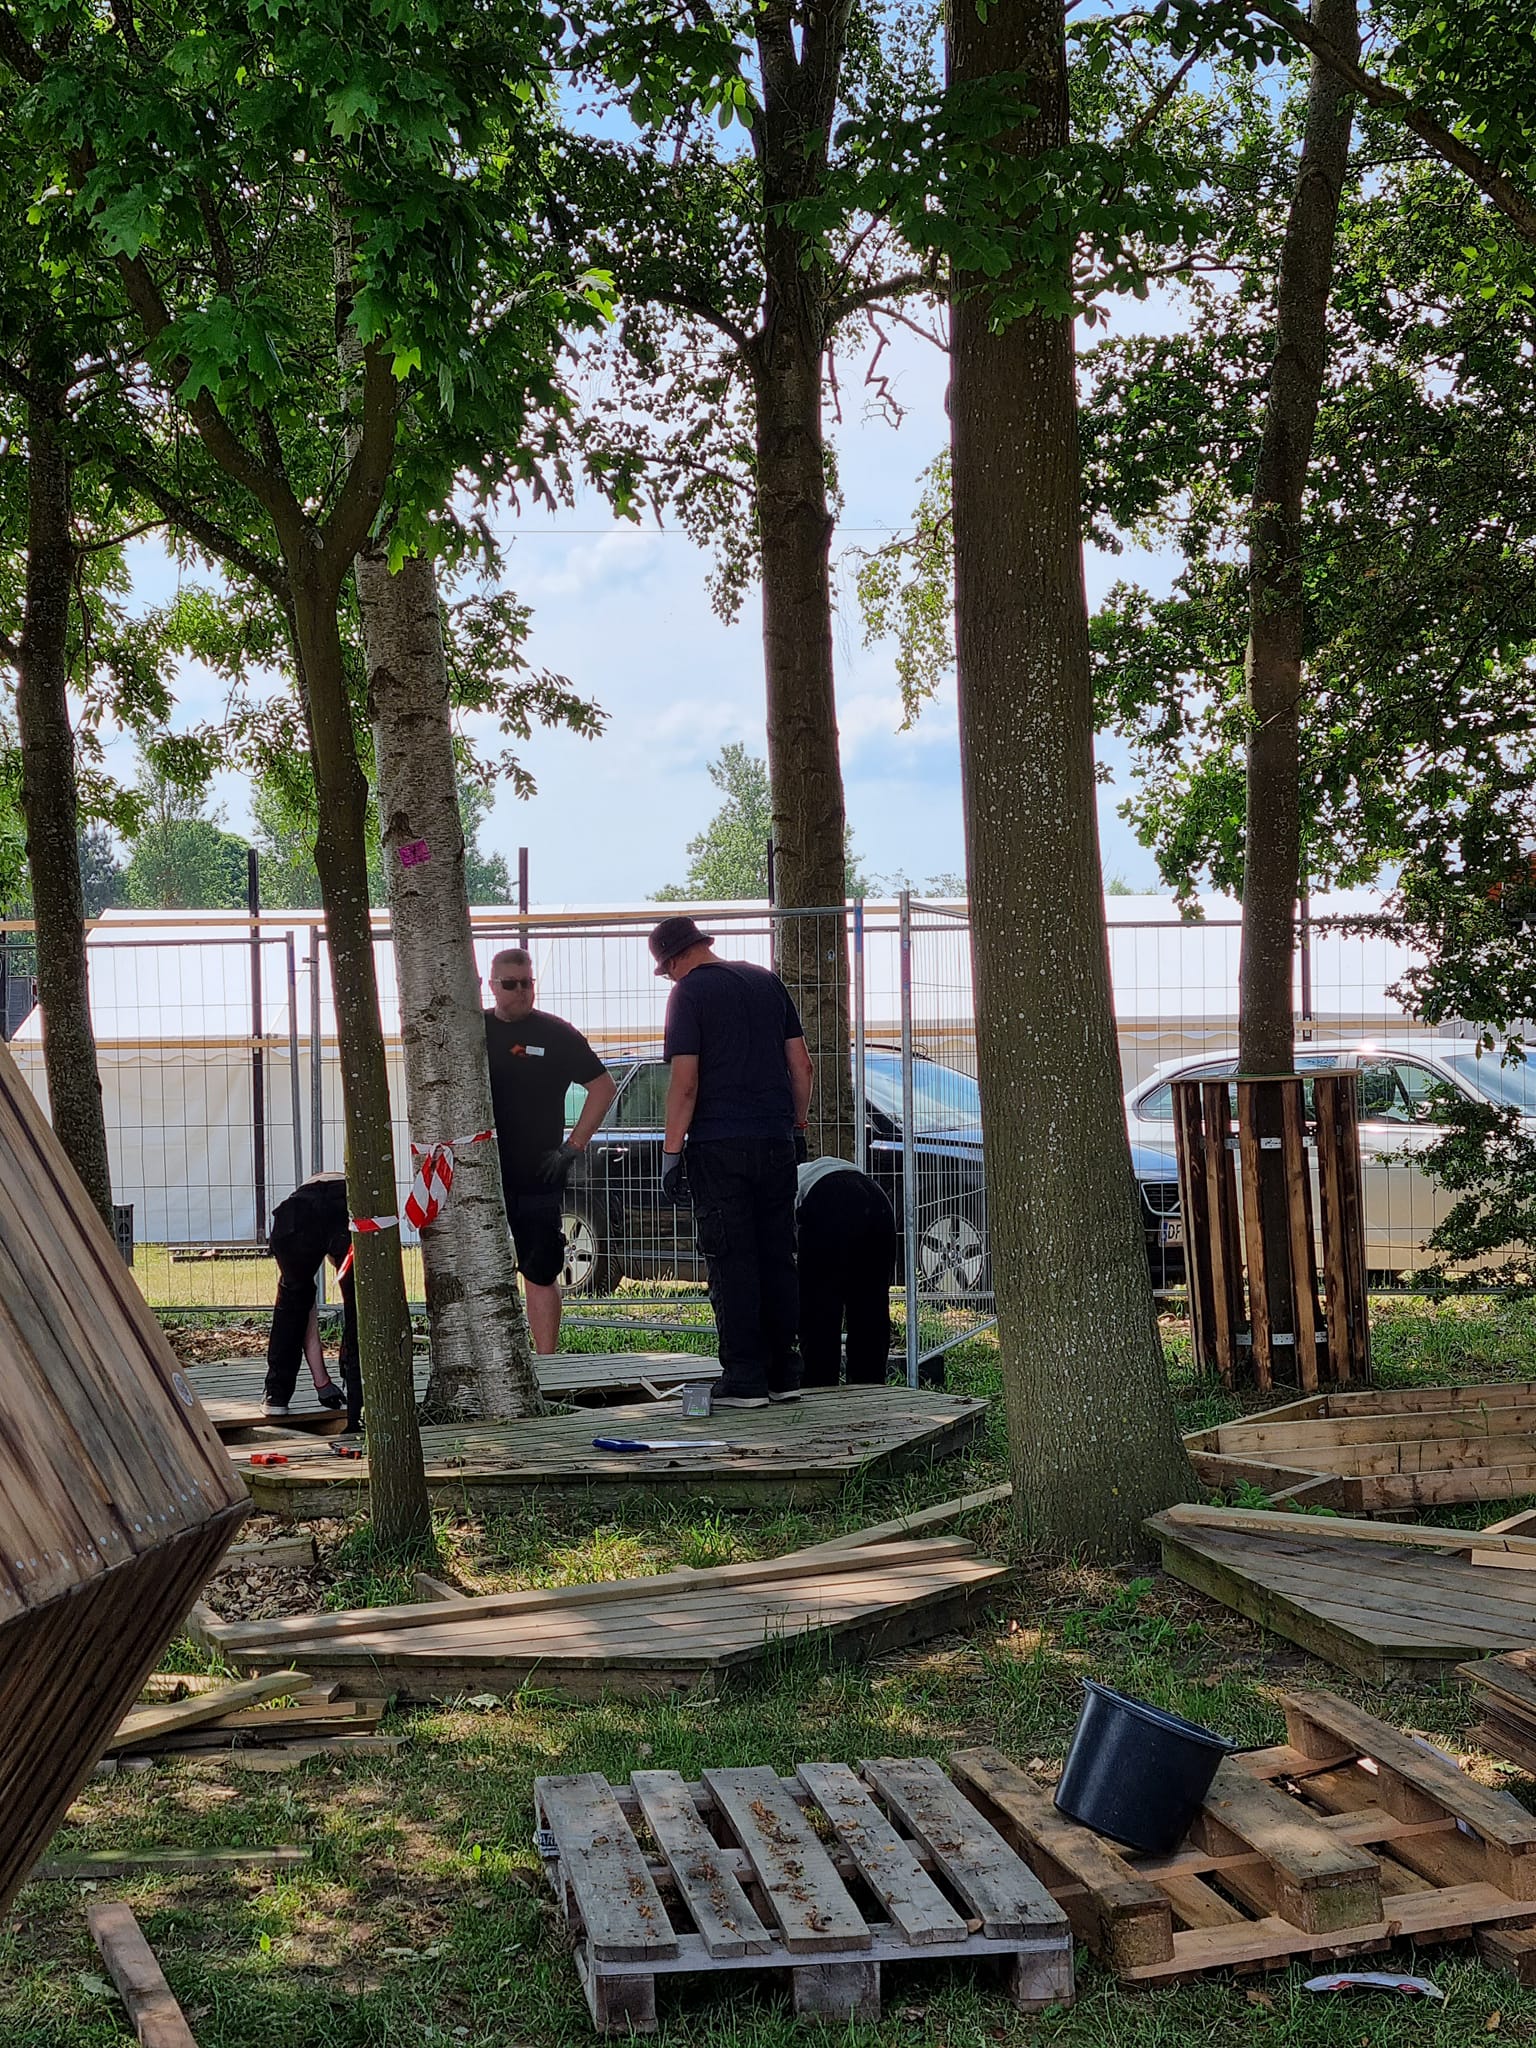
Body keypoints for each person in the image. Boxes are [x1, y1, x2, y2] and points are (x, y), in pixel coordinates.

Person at [651, 913, 814, 1407]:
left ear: (673, 961)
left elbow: (686, 1084)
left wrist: (671, 1153)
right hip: (776, 1140)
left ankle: (744, 1377)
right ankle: (784, 1373)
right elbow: (802, 1066)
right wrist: (797, 1126)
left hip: (718, 1146)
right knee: (777, 1255)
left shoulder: (688, 994)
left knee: (731, 1258)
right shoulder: (767, 982)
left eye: (667, 971)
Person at [483, 946, 617, 1354]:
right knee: (477, 1268)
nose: (521, 991)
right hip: (479, 1172)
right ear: (492, 986)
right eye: (511, 984)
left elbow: (603, 1087)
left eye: (527, 983)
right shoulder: (474, 1029)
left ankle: (546, 1361)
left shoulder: (555, 1033)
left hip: (538, 1171)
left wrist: (572, 1147)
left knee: (540, 1267)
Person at [264, 1170, 359, 1427]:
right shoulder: (344, 1198)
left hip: (297, 1214)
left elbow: (308, 1316)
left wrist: (322, 1383)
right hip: (344, 1206)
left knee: (293, 1302)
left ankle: (276, 1395)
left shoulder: (304, 1198)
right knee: (359, 1305)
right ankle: (358, 1399)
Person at [796, 1157, 898, 1387]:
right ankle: (869, 1384)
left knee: (819, 1306)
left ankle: (819, 1383)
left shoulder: (786, 1184)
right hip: (878, 1201)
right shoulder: (808, 1171)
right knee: (872, 1303)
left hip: (828, 1198)